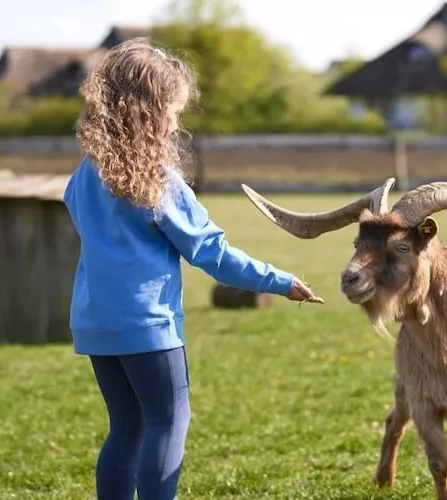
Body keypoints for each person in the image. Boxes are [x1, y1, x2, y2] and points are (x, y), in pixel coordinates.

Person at [62, 38, 322, 500]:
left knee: (125, 428)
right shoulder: (159, 180)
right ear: (150, 109)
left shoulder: (86, 172)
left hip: (96, 322)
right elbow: (213, 255)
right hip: (148, 327)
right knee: (168, 421)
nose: (176, 121)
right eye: (173, 110)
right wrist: (280, 281)